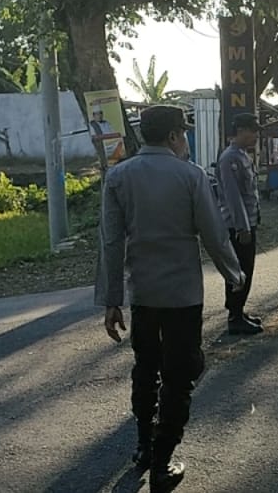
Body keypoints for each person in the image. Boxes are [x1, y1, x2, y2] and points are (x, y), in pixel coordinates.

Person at [97, 105, 246, 490]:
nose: (186, 141)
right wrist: (234, 273)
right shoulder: (190, 175)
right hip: (182, 296)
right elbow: (213, 232)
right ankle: (163, 463)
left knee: (146, 369)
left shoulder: (118, 177)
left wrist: (112, 300)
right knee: (180, 376)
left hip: (143, 294)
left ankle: (144, 447)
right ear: (174, 136)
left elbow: (111, 243)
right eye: (184, 134)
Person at [217, 113, 264, 336]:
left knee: (247, 269)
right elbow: (232, 196)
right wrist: (242, 227)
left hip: (248, 222)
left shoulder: (243, 155)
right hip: (237, 225)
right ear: (240, 131)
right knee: (238, 271)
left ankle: (239, 310)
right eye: (252, 131)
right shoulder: (229, 158)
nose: (256, 135)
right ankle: (234, 317)